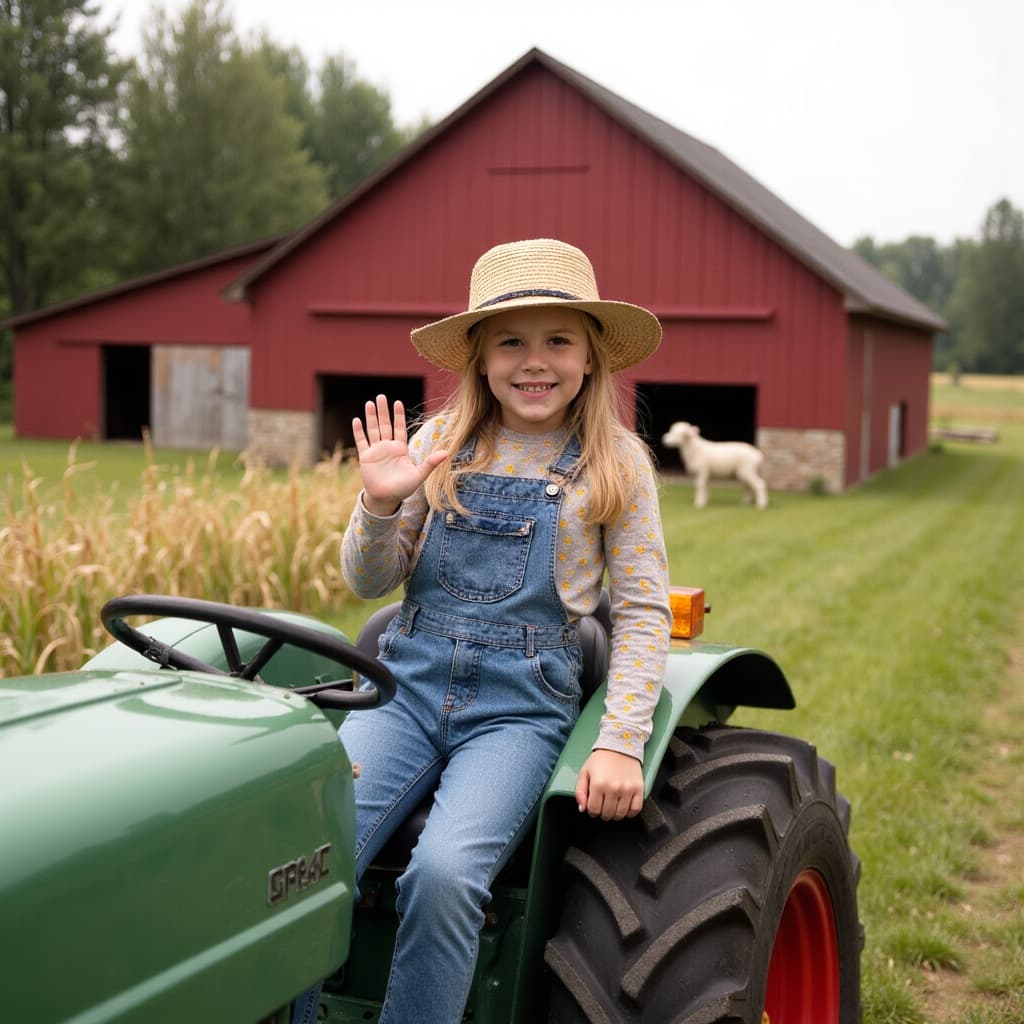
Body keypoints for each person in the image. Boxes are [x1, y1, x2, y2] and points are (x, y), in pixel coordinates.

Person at [293, 238, 672, 1024]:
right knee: (310, 857)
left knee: (443, 873)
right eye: (512, 341)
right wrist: (378, 504)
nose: (536, 362)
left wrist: (620, 739)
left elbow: (639, 612)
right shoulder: (438, 444)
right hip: (406, 685)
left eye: (558, 339)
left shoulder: (618, 465)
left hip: (519, 706)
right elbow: (369, 581)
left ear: (593, 356)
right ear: (480, 357)